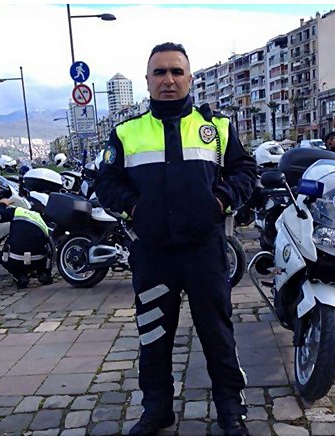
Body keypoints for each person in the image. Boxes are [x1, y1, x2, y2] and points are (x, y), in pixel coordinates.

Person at [95, 42, 256, 436]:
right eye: (160, 73)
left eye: (176, 72)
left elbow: (245, 171)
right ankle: (157, 411)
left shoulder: (216, 127)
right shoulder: (126, 133)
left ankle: (231, 411)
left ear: (190, 78)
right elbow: (105, 181)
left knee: (218, 334)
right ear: (147, 81)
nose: (168, 80)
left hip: (205, 252)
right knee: (153, 336)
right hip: (154, 255)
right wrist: (134, 209)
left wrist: (219, 201)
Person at [0, 198, 54, 288]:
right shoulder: (38, 216)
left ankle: (20, 276)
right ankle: (44, 274)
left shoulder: (16, 211)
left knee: (0, 252)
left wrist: (3, 204)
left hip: (16, 260)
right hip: (38, 260)